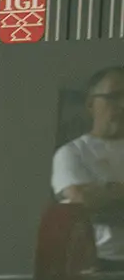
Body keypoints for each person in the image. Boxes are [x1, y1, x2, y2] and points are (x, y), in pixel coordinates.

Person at [51, 65, 124, 263]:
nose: (122, 104)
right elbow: (83, 200)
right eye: (114, 97)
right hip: (97, 262)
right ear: (91, 104)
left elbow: (99, 202)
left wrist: (108, 193)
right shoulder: (72, 153)